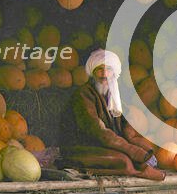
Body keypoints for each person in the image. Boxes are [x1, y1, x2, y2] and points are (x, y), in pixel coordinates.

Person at [60, 49, 165, 181]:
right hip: (84, 147)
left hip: (107, 144)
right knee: (124, 161)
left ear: (114, 73)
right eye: (99, 69)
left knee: (142, 152)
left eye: (108, 69)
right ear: (92, 72)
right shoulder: (83, 95)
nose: (104, 75)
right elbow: (99, 132)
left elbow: (124, 121)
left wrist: (136, 142)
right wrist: (133, 150)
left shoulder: (112, 94)